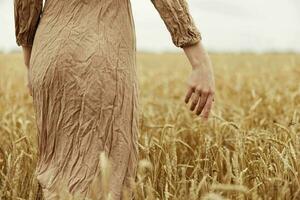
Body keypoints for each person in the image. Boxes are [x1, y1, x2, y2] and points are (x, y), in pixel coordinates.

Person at [13, 0, 215, 199]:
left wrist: (31, 62)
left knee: (57, 176)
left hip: (48, 51)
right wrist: (199, 60)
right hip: (103, 56)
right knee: (104, 180)